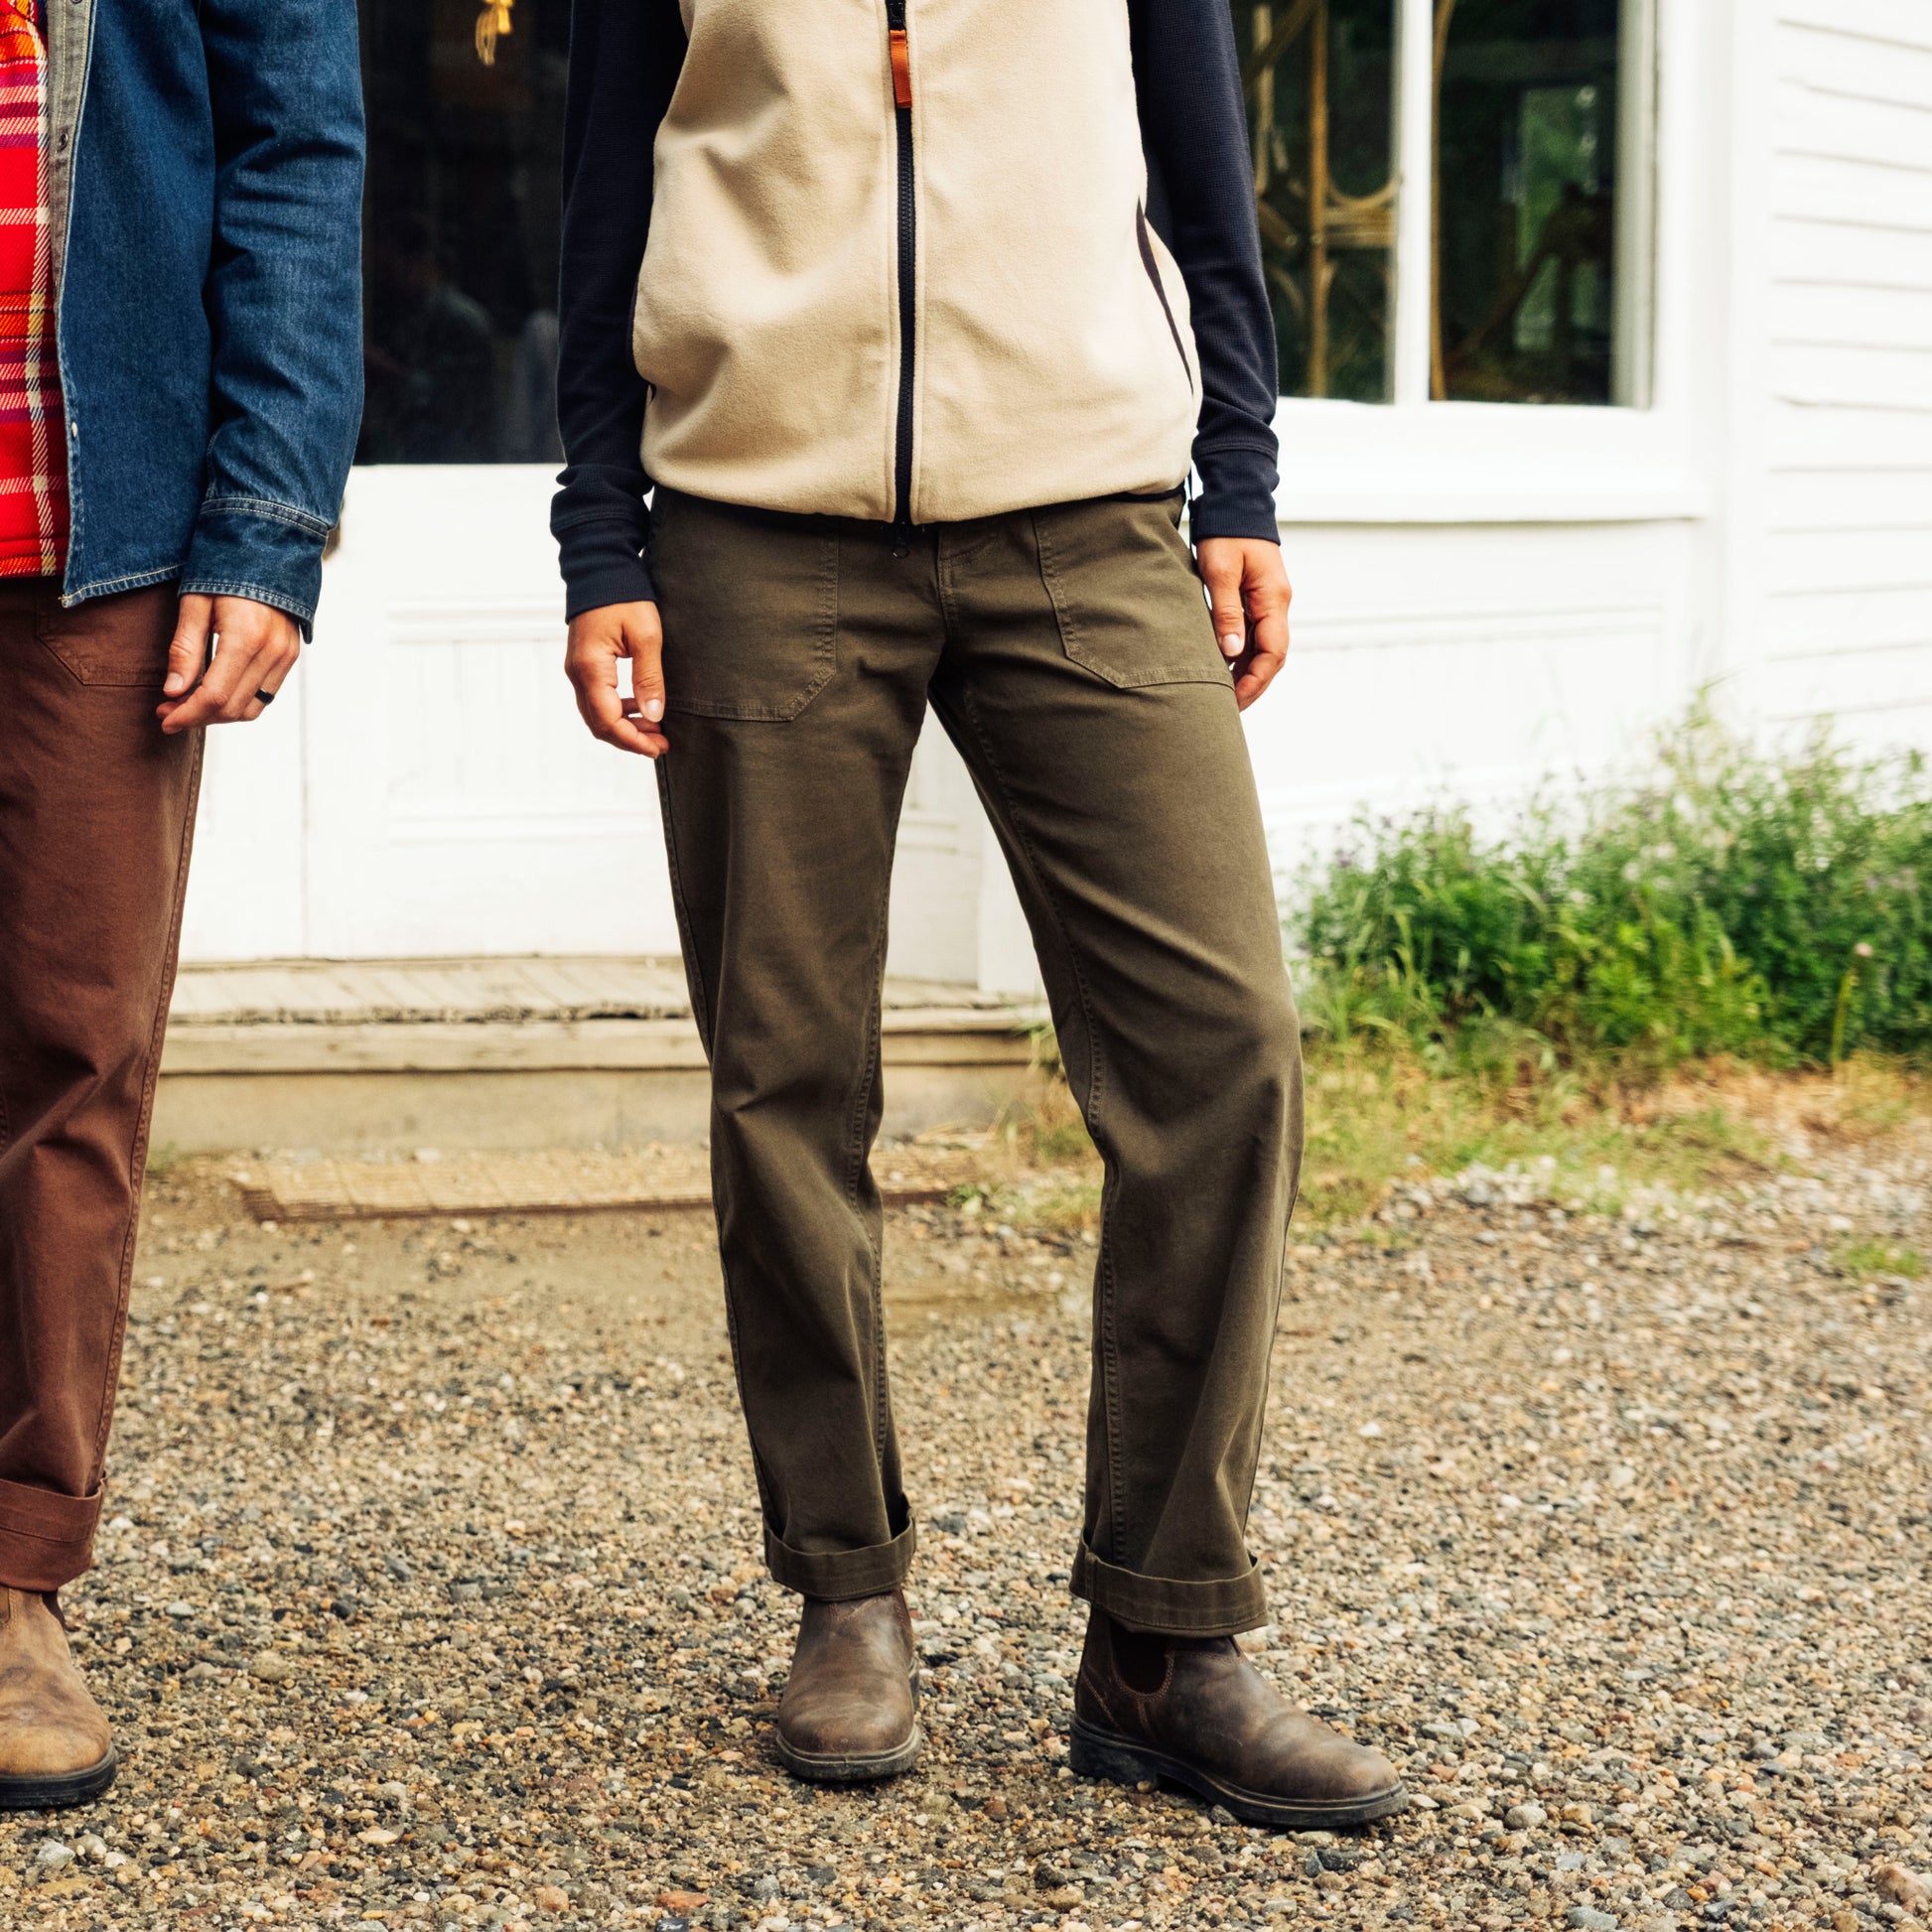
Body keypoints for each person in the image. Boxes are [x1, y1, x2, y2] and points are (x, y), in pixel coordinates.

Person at [553, 0, 1405, 1828]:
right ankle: (845, 1589)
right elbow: (607, 196)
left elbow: (1207, 185)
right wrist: (599, 537)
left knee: (1222, 1047)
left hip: (1086, 513)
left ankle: (1166, 1634)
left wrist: (1241, 482)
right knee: (785, 1074)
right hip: (755, 523)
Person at [0, 0, 362, 1810]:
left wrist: (268, 520)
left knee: (71, 1052)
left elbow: (296, 144)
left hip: (92, 516)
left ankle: (11, 1573)